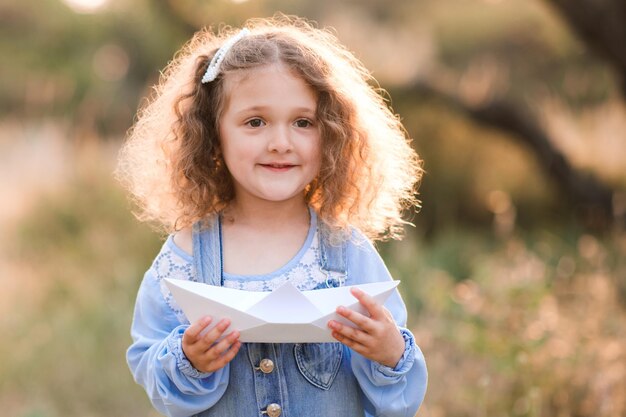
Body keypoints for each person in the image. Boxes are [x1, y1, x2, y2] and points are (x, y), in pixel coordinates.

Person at [116, 14, 427, 417]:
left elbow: (398, 398)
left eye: (303, 122)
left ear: (331, 133)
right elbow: (150, 366)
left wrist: (389, 353)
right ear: (214, 133)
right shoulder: (185, 257)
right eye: (255, 122)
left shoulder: (345, 251)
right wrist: (188, 361)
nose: (280, 143)